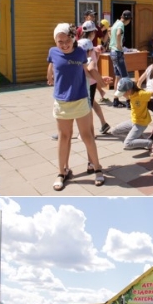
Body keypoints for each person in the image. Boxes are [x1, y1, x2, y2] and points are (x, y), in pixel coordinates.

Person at [47, 24, 111, 191]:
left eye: (67, 40)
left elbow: (86, 71)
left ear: (73, 38)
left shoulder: (80, 52)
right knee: (64, 137)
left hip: (80, 99)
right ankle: (62, 172)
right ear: (55, 41)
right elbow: (52, 66)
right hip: (62, 102)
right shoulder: (53, 52)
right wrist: (49, 76)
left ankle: (97, 168)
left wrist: (100, 79)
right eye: (60, 41)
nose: (64, 44)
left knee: (87, 136)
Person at [109, 11, 133, 108]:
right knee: (125, 78)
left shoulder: (116, 23)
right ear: (128, 19)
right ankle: (128, 101)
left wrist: (113, 42)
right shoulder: (121, 25)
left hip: (112, 52)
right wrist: (119, 46)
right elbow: (119, 34)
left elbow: (109, 30)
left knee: (118, 77)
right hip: (117, 53)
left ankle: (116, 100)